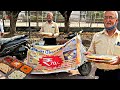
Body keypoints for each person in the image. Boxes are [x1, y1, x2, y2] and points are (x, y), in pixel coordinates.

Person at [85, 11, 120, 80]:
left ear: (116, 20)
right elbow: (91, 52)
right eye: (105, 17)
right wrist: (89, 55)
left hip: (118, 74)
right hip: (100, 73)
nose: (108, 20)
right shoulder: (97, 36)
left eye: (111, 17)